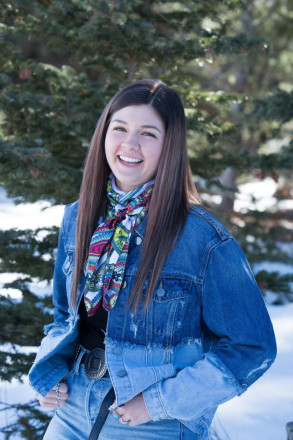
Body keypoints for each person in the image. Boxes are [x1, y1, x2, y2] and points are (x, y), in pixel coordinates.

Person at [29, 79, 277, 440]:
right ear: (104, 136)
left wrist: (158, 403)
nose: (129, 145)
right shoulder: (79, 216)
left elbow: (252, 347)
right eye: (120, 129)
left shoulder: (202, 237)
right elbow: (64, 316)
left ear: (170, 147)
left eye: (148, 134)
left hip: (153, 423)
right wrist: (51, 373)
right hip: (70, 409)